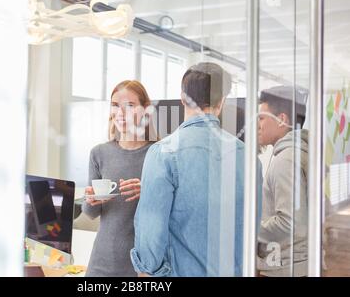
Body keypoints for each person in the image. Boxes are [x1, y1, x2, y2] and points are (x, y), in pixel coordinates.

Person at [130, 62, 262, 276]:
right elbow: (251, 231)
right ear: (222, 102)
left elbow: (150, 237)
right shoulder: (248, 157)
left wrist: (147, 272)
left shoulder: (163, 153)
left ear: (182, 98)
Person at [82, 80, 157, 277]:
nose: (120, 113)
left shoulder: (160, 153)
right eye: (115, 105)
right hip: (101, 264)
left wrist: (150, 191)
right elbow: (91, 213)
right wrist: (90, 200)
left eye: (129, 106)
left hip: (142, 268)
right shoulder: (99, 153)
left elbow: (175, 212)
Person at [256, 85, 309, 277]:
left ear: (282, 120)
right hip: (297, 263)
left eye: (261, 118)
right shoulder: (298, 153)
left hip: (284, 268)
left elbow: (291, 223)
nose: (257, 125)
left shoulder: (285, 160)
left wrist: (252, 231)